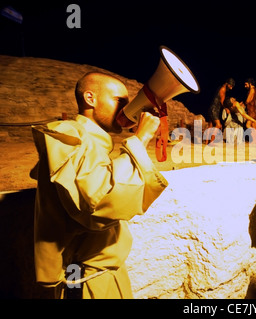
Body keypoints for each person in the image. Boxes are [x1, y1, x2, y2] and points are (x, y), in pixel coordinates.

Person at [30, 72, 169, 299]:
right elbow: (98, 202)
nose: (126, 110)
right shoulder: (67, 136)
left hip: (103, 275)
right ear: (90, 98)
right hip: (82, 280)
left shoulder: (91, 141)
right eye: (119, 102)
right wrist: (140, 139)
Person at [206, 78, 235, 144]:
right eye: (231, 86)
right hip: (214, 109)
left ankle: (206, 142)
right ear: (227, 83)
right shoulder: (223, 89)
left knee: (210, 126)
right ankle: (211, 142)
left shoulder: (221, 87)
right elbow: (222, 101)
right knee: (218, 125)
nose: (231, 88)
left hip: (212, 108)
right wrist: (226, 108)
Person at [244, 78, 256, 143]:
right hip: (253, 110)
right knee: (253, 125)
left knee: (248, 125)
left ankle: (254, 140)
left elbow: (248, 100)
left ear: (250, 83)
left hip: (251, 110)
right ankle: (254, 140)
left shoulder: (252, 90)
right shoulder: (255, 90)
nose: (245, 86)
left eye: (246, 84)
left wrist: (244, 103)